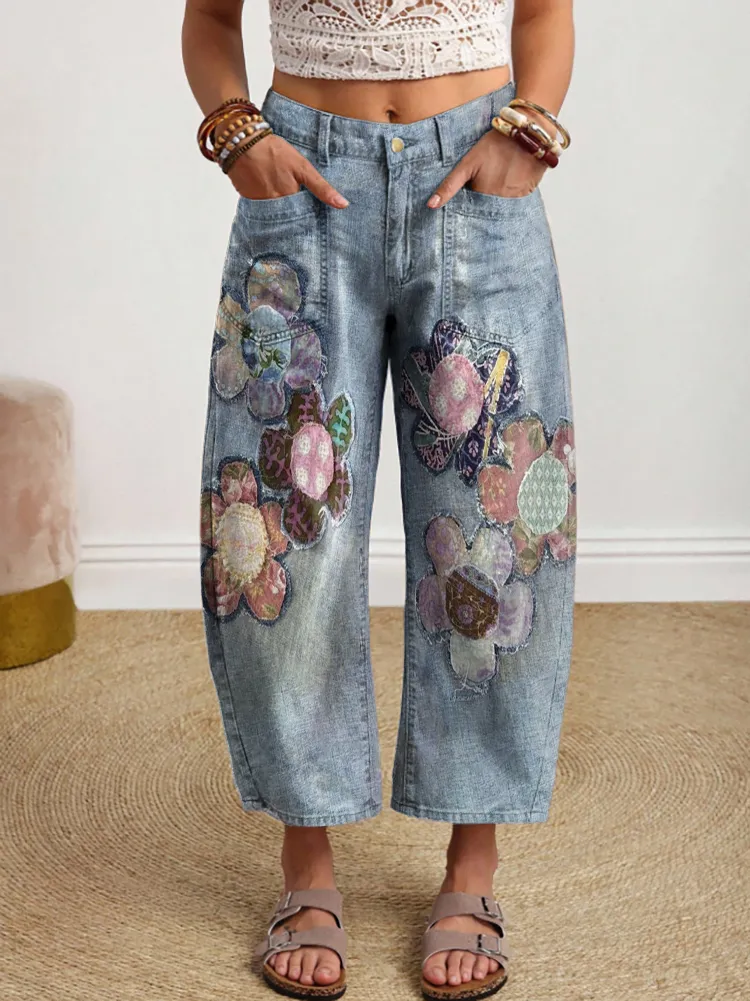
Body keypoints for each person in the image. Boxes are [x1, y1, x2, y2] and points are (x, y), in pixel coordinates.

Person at [182, 0, 576, 997]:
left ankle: (473, 864)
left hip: (478, 174)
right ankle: (306, 862)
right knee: (287, 535)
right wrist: (238, 136)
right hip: (302, 182)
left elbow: (545, 12)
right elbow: (210, 21)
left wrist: (530, 128)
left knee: (491, 539)